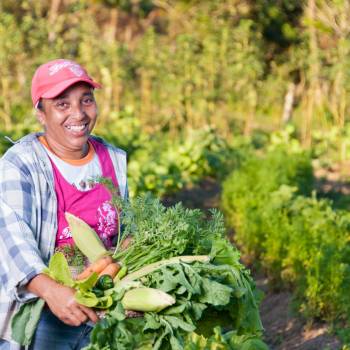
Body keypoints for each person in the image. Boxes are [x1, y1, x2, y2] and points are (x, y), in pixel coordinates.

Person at [0, 59, 128, 349]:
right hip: (42, 312)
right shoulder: (21, 164)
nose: (79, 114)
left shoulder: (112, 158)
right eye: (62, 104)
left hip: (106, 309)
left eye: (86, 100)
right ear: (41, 113)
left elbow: (124, 231)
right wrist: (52, 290)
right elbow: (11, 240)